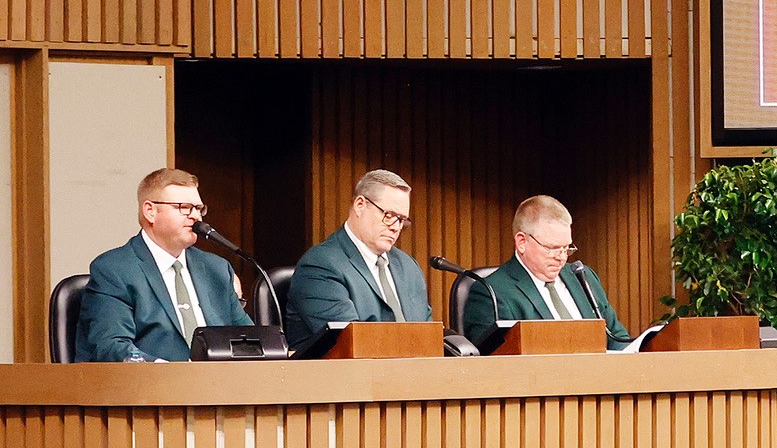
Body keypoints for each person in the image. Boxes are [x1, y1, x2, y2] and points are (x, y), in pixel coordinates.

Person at [77, 169, 252, 363]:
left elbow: (250, 340)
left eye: (198, 208)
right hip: (151, 388)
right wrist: (164, 372)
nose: (196, 217)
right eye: (184, 207)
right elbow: (112, 347)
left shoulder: (216, 269)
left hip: (220, 387)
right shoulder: (114, 270)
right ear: (150, 211)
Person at [284, 170, 433, 351]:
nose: (396, 228)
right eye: (389, 216)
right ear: (360, 205)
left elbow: (426, 338)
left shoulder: (408, 267)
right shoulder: (320, 265)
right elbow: (350, 345)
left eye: (401, 220)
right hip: (343, 376)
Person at [460, 194, 631, 350]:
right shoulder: (492, 293)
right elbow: (497, 362)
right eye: (552, 248)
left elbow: (617, 338)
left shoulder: (583, 277)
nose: (562, 257)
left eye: (567, 248)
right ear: (522, 242)